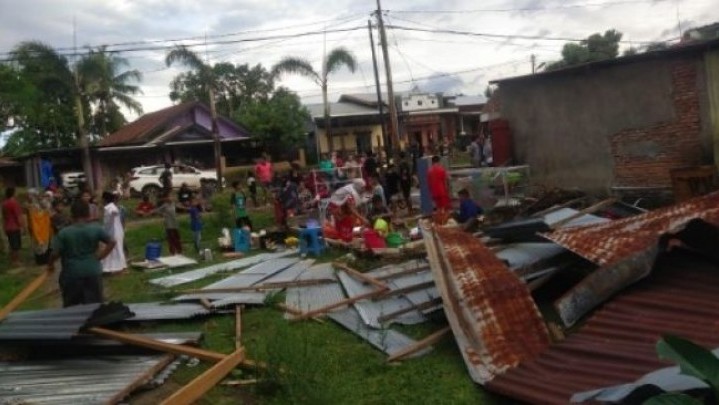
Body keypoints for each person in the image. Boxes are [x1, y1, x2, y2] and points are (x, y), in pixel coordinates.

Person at [47, 200, 116, 307]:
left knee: (72, 307)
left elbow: (55, 253)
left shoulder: (64, 233)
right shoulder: (96, 228)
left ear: (72, 214)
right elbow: (112, 241)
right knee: (95, 307)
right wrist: (101, 256)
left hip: (71, 274)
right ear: (88, 214)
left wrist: (50, 265)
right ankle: (95, 323)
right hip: (93, 271)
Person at [100, 191, 126, 274]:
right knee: (112, 251)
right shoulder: (109, 207)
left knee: (117, 250)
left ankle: (120, 268)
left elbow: (113, 211)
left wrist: (114, 213)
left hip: (115, 232)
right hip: (113, 231)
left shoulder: (110, 207)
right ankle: (110, 268)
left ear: (104, 199)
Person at [26, 189, 52, 265]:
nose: (29, 197)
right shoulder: (30, 205)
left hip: (43, 226)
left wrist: (42, 201)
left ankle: (44, 259)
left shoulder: (40, 203)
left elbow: (47, 209)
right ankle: (40, 260)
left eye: (30, 195)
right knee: (37, 244)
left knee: (43, 243)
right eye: (28, 195)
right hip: (34, 227)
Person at [2, 187, 23, 267]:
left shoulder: (4, 203)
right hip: (14, 226)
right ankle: (16, 262)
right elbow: (18, 216)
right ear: (13, 193)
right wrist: (22, 226)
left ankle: (13, 261)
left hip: (8, 226)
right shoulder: (14, 203)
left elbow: (4, 217)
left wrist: (4, 226)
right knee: (16, 245)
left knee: (12, 244)